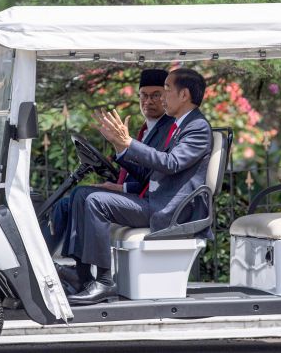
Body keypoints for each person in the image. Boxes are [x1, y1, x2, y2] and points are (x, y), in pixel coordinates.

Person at [66, 68, 212, 305]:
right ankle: (83, 276)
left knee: (95, 202)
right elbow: (149, 171)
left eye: (166, 90)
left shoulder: (197, 127)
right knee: (84, 194)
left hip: (171, 209)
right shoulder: (179, 125)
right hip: (156, 201)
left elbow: (171, 163)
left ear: (184, 94)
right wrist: (121, 147)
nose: (162, 98)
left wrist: (129, 142)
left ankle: (103, 282)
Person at [50, 69, 173, 293]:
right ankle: (63, 268)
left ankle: (101, 279)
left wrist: (122, 146)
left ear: (167, 97)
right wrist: (120, 182)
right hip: (142, 196)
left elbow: (158, 175)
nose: (148, 101)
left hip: (156, 204)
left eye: (156, 95)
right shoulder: (147, 129)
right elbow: (146, 175)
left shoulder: (169, 129)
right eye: (143, 95)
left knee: (92, 199)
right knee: (71, 199)